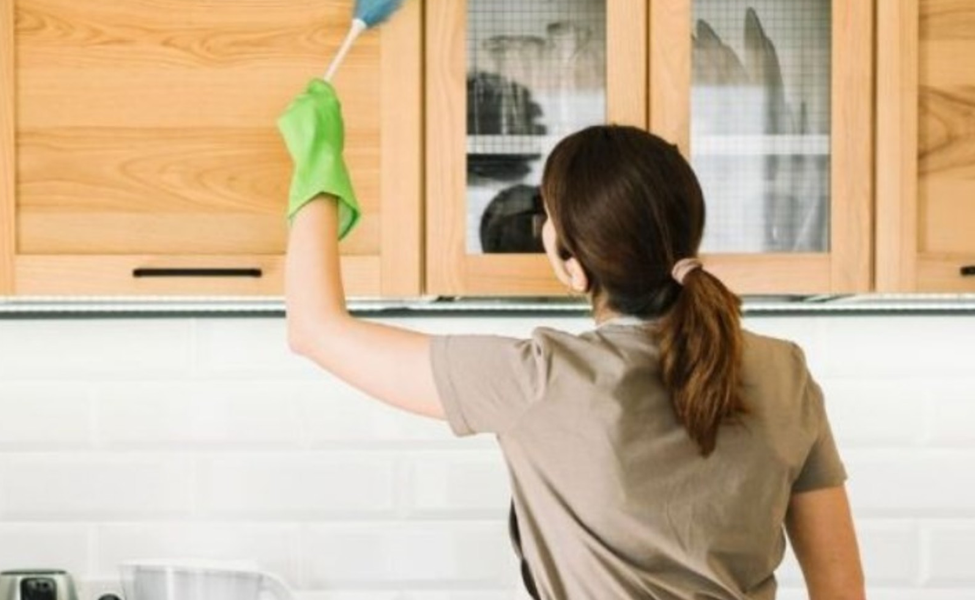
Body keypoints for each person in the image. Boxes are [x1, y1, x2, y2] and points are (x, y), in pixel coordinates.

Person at [278, 79, 865, 599]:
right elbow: (841, 590)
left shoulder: (539, 380)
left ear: (572, 266)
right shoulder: (785, 371)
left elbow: (315, 328)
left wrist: (319, 165)